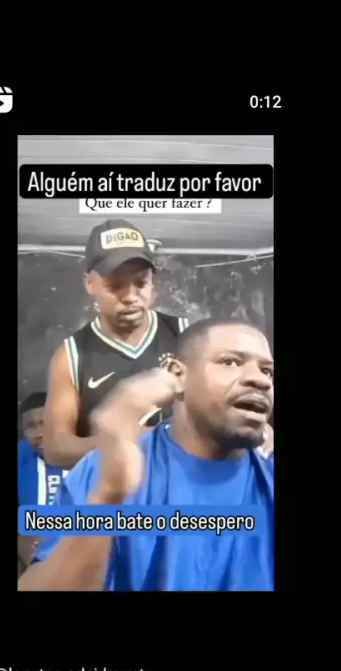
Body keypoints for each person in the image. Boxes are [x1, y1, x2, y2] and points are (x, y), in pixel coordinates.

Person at [19, 319, 274, 591]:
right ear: (178, 375)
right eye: (231, 362)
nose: (259, 379)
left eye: (267, 371)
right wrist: (108, 497)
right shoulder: (102, 470)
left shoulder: (268, 476)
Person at [43, 218, 273, 470]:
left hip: (189, 481)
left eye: (141, 283)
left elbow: (226, 405)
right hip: (117, 488)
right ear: (90, 283)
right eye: (115, 286)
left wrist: (254, 426)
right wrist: (139, 441)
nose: (131, 297)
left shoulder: (189, 336)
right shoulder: (71, 355)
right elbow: (56, 449)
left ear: (153, 283)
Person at [17, 392, 68, 575]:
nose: (39, 434)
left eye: (45, 423)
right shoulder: (21, 455)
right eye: (31, 427)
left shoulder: (85, 453)